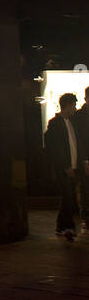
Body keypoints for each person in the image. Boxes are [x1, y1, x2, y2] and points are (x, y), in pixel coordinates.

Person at [47, 92, 88, 241]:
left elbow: (78, 145)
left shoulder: (72, 123)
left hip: (74, 166)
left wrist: (81, 162)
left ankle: (61, 226)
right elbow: (56, 149)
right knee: (68, 197)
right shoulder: (55, 124)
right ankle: (68, 227)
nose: (75, 108)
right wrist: (66, 166)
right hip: (65, 168)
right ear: (68, 105)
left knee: (67, 197)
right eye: (73, 105)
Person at [74, 87, 89, 232]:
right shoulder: (78, 117)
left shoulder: (78, 116)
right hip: (84, 158)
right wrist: (84, 159)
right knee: (86, 188)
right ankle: (86, 217)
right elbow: (78, 140)